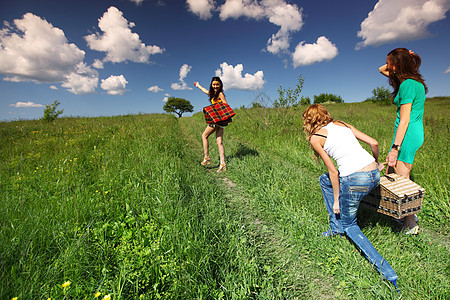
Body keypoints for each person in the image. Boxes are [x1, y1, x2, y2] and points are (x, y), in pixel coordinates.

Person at [302, 104, 398, 288]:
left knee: (350, 225)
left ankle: (387, 273)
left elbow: (334, 172)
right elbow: (374, 143)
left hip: (354, 179)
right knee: (324, 181)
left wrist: (337, 199)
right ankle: (335, 227)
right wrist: (376, 162)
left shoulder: (316, 138)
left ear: (308, 121)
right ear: (325, 114)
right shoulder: (342, 124)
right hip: (373, 174)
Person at [379, 48, 427, 235]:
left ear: (396, 64)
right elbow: (381, 70)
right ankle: (403, 214)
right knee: (399, 173)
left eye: (389, 61)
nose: (387, 65)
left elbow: (405, 119)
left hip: (406, 134)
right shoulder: (415, 83)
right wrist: (408, 56)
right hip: (412, 133)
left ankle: (410, 222)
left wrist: (395, 148)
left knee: (402, 180)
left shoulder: (407, 85)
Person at [194, 76, 227, 173]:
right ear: (211, 85)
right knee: (219, 142)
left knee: (204, 135)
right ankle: (222, 163)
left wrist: (218, 108)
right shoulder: (213, 94)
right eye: (214, 84)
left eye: (217, 84)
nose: (215, 86)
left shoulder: (220, 94)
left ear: (220, 85)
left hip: (216, 119)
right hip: (220, 121)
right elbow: (205, 91)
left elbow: (225, 104)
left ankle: (206, 157)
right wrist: (198, 86)